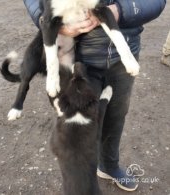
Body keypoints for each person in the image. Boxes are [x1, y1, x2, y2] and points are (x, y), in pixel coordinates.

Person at [23, 0, 166, 192]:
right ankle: (80, 187)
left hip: (124, 54)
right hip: (78, 58)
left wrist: (121, 11)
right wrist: (46, 18)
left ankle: (109, 166)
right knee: (74, 132)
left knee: (116, 116)